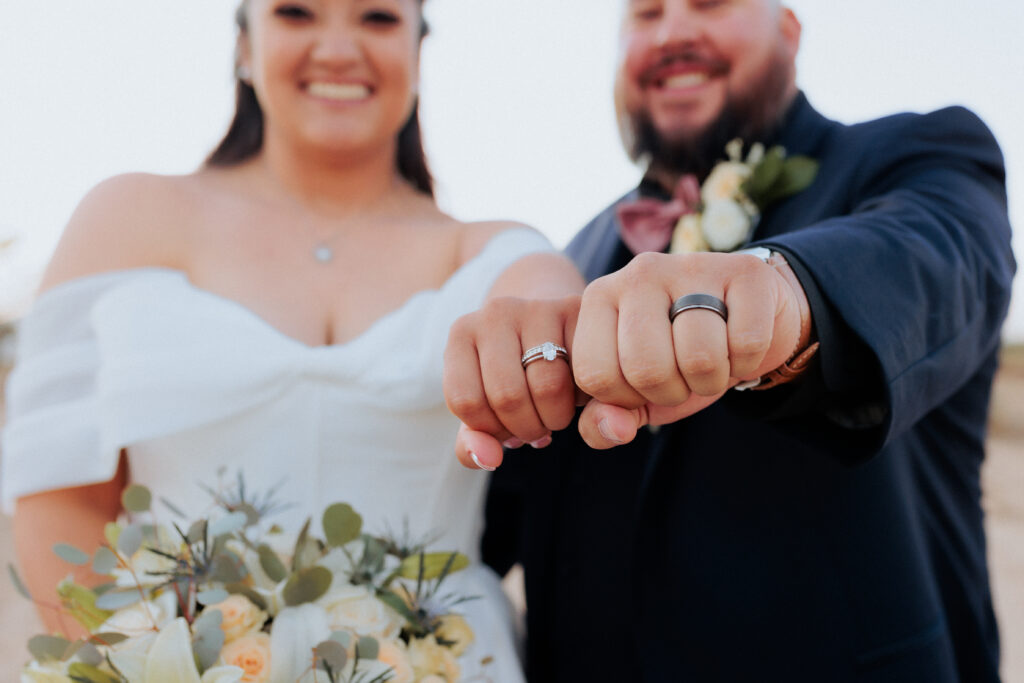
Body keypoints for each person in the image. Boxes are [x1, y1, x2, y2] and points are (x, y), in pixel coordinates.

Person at [0, 1, 584, 679]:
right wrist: (138, 665)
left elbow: (547, 296)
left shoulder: (482, 249)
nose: (337, 49)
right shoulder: (128, 218)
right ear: (244, 44)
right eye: (296, 12)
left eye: (377, 18)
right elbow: (60, 500)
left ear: (420, 50)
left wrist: (555, 318)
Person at [444, 0, 1015, 680]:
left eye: (709, 3)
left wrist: (781, 295)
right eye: (646, 14)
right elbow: (492, 517)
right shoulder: (578, 254)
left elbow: (935, 260)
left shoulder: (916, 155)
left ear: (791, 30)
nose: (674, 32)